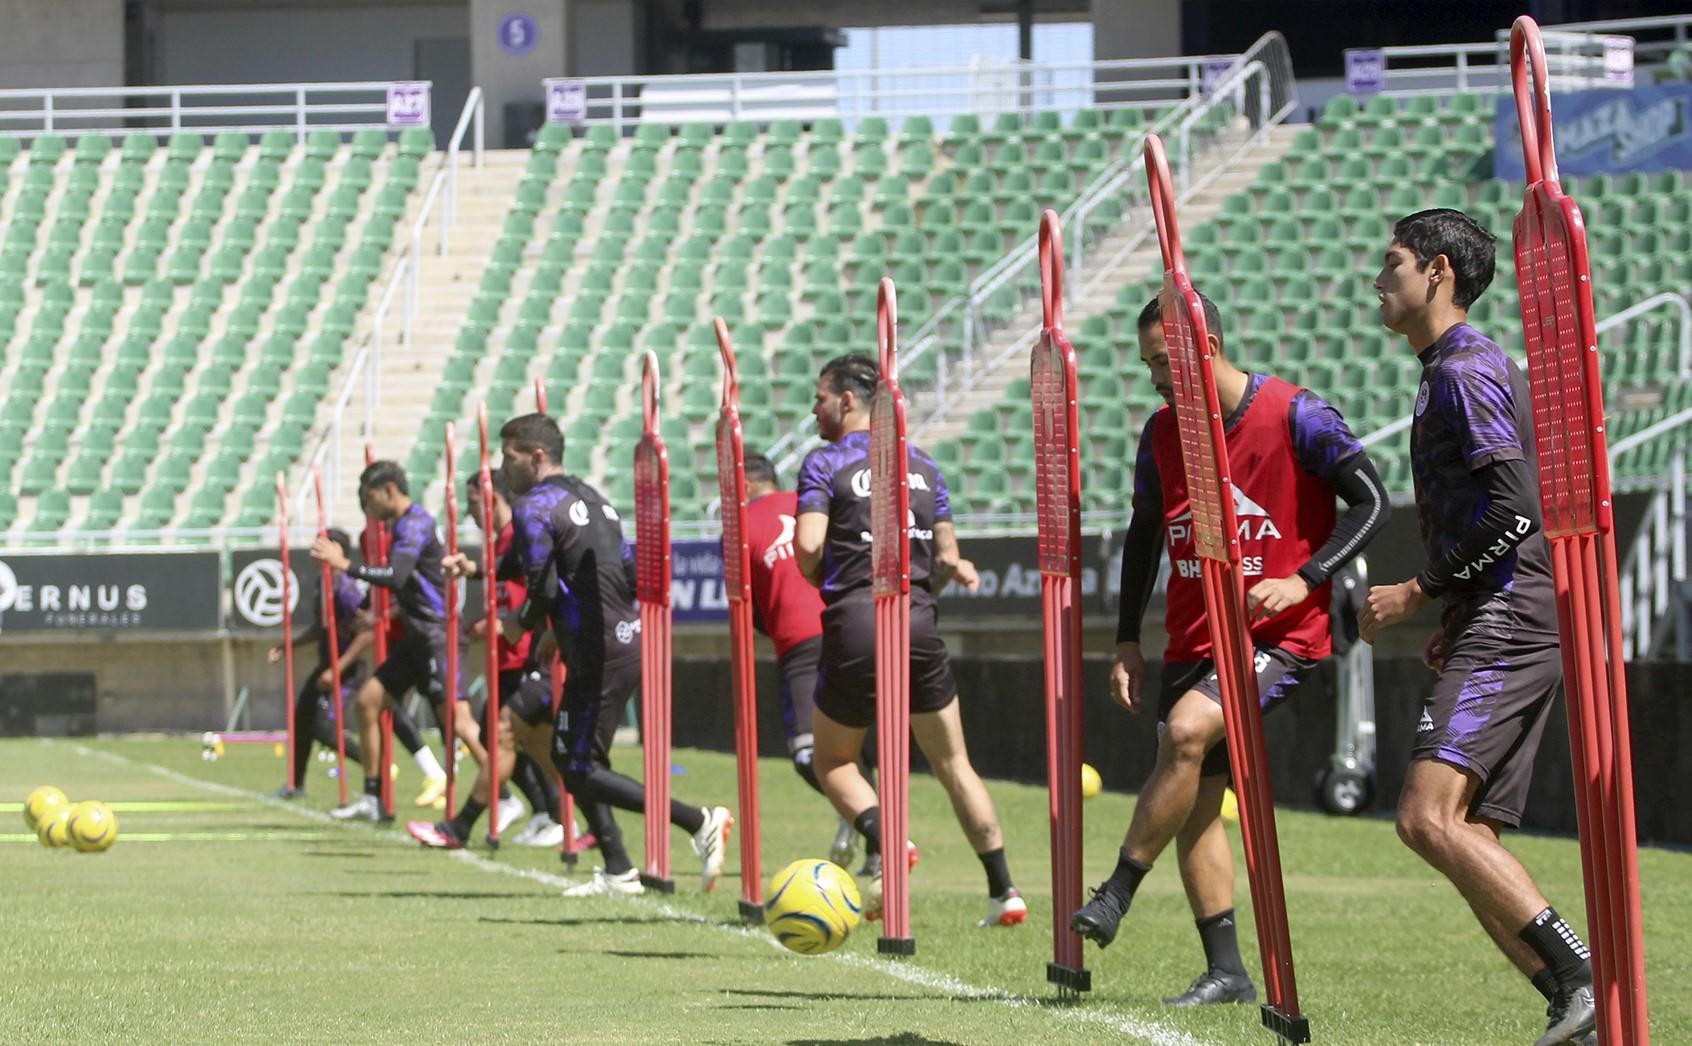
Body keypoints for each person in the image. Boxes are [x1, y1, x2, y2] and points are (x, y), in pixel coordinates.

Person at [1071, 291, 1391, 1006]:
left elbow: (1373, 502)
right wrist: (1127, 639)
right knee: (1192, 799)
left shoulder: (1296, 414)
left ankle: (1117, 890)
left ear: (1204, 344)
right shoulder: (1161, 434)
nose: (1155, 376)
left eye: (1164, 361)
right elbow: (1144, 535)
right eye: (1148, 362)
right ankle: (1228, 972)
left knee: (1185, 734)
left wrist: (1305, 578)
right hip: (1191, 637)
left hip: (1280, 636)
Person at [1359, 209, 1594, 1046]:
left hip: (1511, 614)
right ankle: (1577, 1014)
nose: (1377, 281)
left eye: (1391, 264)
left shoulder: (1463, 370)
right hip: (1496, 612)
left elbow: (1516, 509)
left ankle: (1581, 978)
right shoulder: (1455, 367)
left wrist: (1423, 589)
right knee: (1470, 834)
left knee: (1426, 818)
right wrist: (1456, 604)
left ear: (1438, 273)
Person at [793, 353, 1025, 929]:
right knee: (953, 763)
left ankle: (886, 838)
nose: (815, 409)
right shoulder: (924, 466)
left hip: (856, 620)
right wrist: (946, 576)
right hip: (919, 623)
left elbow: (807, 545)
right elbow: (946, 556)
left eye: (821, 398)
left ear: (847, 400)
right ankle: (1004, 891)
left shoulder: (825, 461)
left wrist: (817, 575)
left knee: (831, 759)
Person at [488, 412, 732, 896]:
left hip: (600, 648)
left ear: (536, 457)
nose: (503, 466)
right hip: (614, 638)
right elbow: (616, 566)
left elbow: (542, 588)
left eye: (508, 456)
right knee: (569, 757)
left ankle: (697, 820)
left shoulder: (533, 505)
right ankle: (620, 868)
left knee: (578, 767)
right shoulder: (591, 496)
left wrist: (524, 623)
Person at [310, 461, 489, 822]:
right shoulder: (397, 525)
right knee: (368, 702)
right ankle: (374, 798)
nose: (368, 504)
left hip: (438, 636)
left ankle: (500, 793)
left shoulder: (415, 522)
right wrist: (375, 612)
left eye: (370, 496)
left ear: (389, 489)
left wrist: (345, 565)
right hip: (415, 636)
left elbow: (396, 575)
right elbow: (410, 586)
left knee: (460, 723)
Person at [409, 473, 569, 849]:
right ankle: (559, 813)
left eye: (472, 501)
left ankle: (476, 820)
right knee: (530, 742)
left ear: (493, 497)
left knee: (503, 737)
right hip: (508, 659)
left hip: (529, 656)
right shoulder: (497, 544)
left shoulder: (521, 536)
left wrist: (504, 625)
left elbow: (537, 592)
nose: (468, 511)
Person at [742, 452, 861, 869]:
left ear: (747, 485)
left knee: (809, 753)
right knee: (852, 744)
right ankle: (873, 831)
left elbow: (749, 608)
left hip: (799, 643)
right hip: (848, 625)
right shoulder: (811, 501)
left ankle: (874, 825)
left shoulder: (743, 527)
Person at [270, 528, 446, 801]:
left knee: (326, 728)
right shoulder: (323, 583)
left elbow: (365, 633)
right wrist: (288, 646)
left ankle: (380, 768)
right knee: (302, 719)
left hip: (347, 669)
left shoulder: (347, 589)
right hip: (326, 663)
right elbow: (322, 627)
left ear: (336, 549)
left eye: (319, 545)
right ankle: (296, 784)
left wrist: (338, 668)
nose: (312, 552)